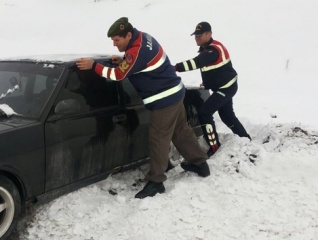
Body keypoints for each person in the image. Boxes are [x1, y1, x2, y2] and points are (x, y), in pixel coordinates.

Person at [76, 17, 209, 199]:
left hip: (165, 99)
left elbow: (117, 75)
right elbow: (137, 62)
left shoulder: (136, 51)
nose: (114, 45)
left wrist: (94, 66)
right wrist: (124, 60)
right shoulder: (143, 38)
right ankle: (199, 163)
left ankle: (156, 182)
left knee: (158, 139)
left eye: (117, 40)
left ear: (128, 35)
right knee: (180, 131)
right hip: (175, 92)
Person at [174, 22, 251, 158]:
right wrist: (209, 82)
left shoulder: (213, 50)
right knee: (227, 116)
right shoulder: (207, 49)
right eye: (195, 35)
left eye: (200, 35)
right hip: (225, 86)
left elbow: (196, 63)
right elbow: (214, 69)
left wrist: (174, 68)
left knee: (205, 112)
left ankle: (214, 146)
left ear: (209, 34)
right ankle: (245, 139)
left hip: (226, 87)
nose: (196, 38)